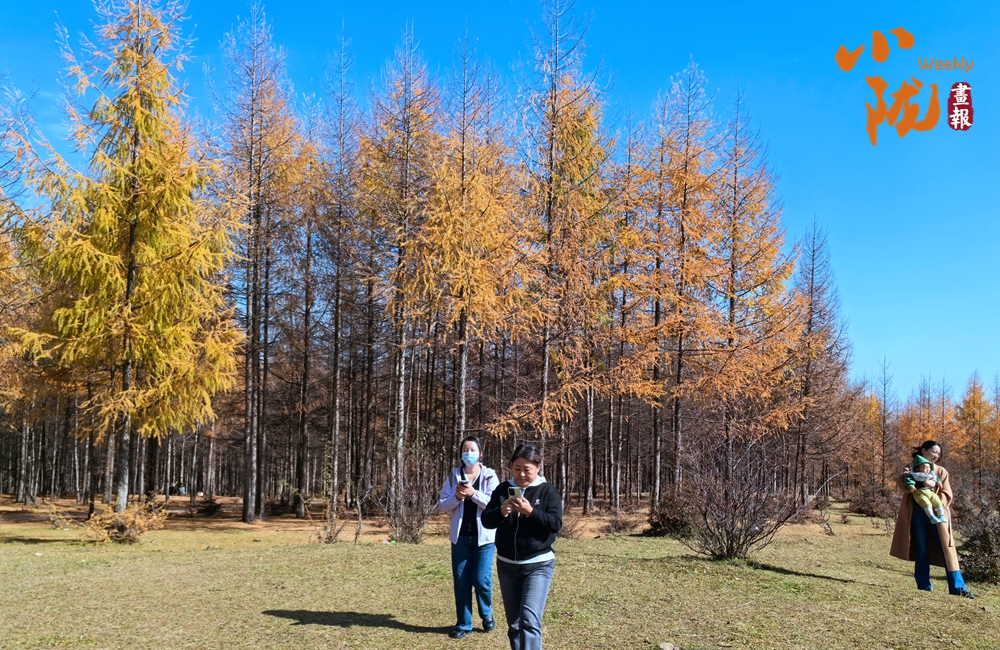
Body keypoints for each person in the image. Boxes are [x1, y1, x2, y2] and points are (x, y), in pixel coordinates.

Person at [482, 444, 562, 650]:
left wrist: (530, 512)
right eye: (517, 469)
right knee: (515, 625)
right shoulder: (502, 490)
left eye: (527, 469)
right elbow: (486, 520)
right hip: (507, 565)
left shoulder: (547, 491)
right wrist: (501, 511)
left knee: (529, 621)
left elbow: (555, 523)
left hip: (538, 564)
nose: (521, 474)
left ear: (538, 467)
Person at [890, 440, 974, 598]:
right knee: (921, 548)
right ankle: (923, 585)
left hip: (938, 514)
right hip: (917, 514)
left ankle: (958, 587)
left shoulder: (941, 471)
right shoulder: (910, 468)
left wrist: (936, 502)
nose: (937, 455)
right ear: (923, 450)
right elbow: (903, 485)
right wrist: (917, 481)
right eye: (934, 452)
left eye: (939, 454)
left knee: (947, 549)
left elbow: (947, 494)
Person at [438, 435, 499, 639]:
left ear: (481, 453)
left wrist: (473, 494)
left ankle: (487, 614)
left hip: (485, 539)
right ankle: (464, 624)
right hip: (460, 538)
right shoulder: (453, 476)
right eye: (465, 449)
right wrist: (457, 497)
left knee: (481, 580)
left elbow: (494, 504)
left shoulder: (490, 476)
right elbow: (443, 505)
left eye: (473, 449)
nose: (469, 453)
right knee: (461, 582)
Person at [906, 455, 947, 524]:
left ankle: (941, 515)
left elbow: (936, 478)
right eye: (925, 468)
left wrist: (939, 482)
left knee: (938, 502)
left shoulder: (932, 474)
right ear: (917, 469)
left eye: (929, 467)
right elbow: (908, 480)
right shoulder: (914, 475)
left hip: (930, 492)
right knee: (927, 503)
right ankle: (932, 517)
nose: (928, 469)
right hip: (920, 493)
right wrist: (911, 485)